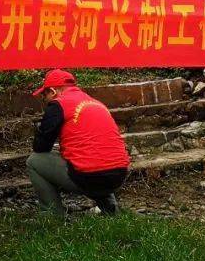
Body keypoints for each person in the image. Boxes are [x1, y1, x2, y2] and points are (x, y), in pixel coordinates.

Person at [26, 69, 130, 217]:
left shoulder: (58, 105)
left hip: (88, 178)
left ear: (53, 91)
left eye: (44, 95)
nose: (44, 100)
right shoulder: (96, 103)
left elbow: (40, 147)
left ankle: (52, 216)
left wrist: (42, 129)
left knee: (34, 161)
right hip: (119, 175)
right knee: (93, 158)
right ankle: (111, 210)